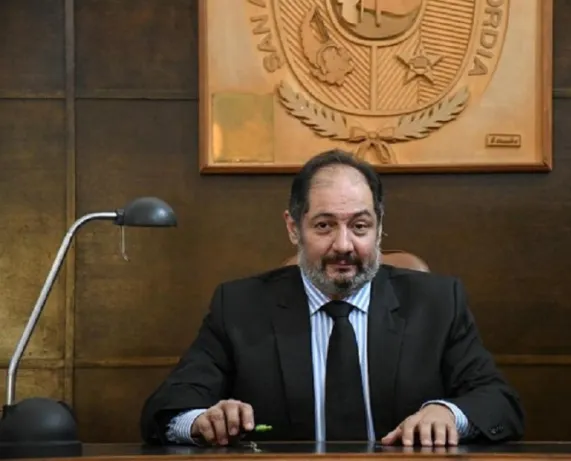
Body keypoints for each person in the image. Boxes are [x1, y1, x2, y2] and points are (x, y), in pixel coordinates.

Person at [139, 149, 525, 447]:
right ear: (294, 228)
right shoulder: (240, 307)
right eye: (324, 225)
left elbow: (499, 402)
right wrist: (201, 421)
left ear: (379, 227)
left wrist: (449, 413)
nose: (344, 245)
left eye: (360, 226)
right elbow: (166, 408)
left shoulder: (438, 303)